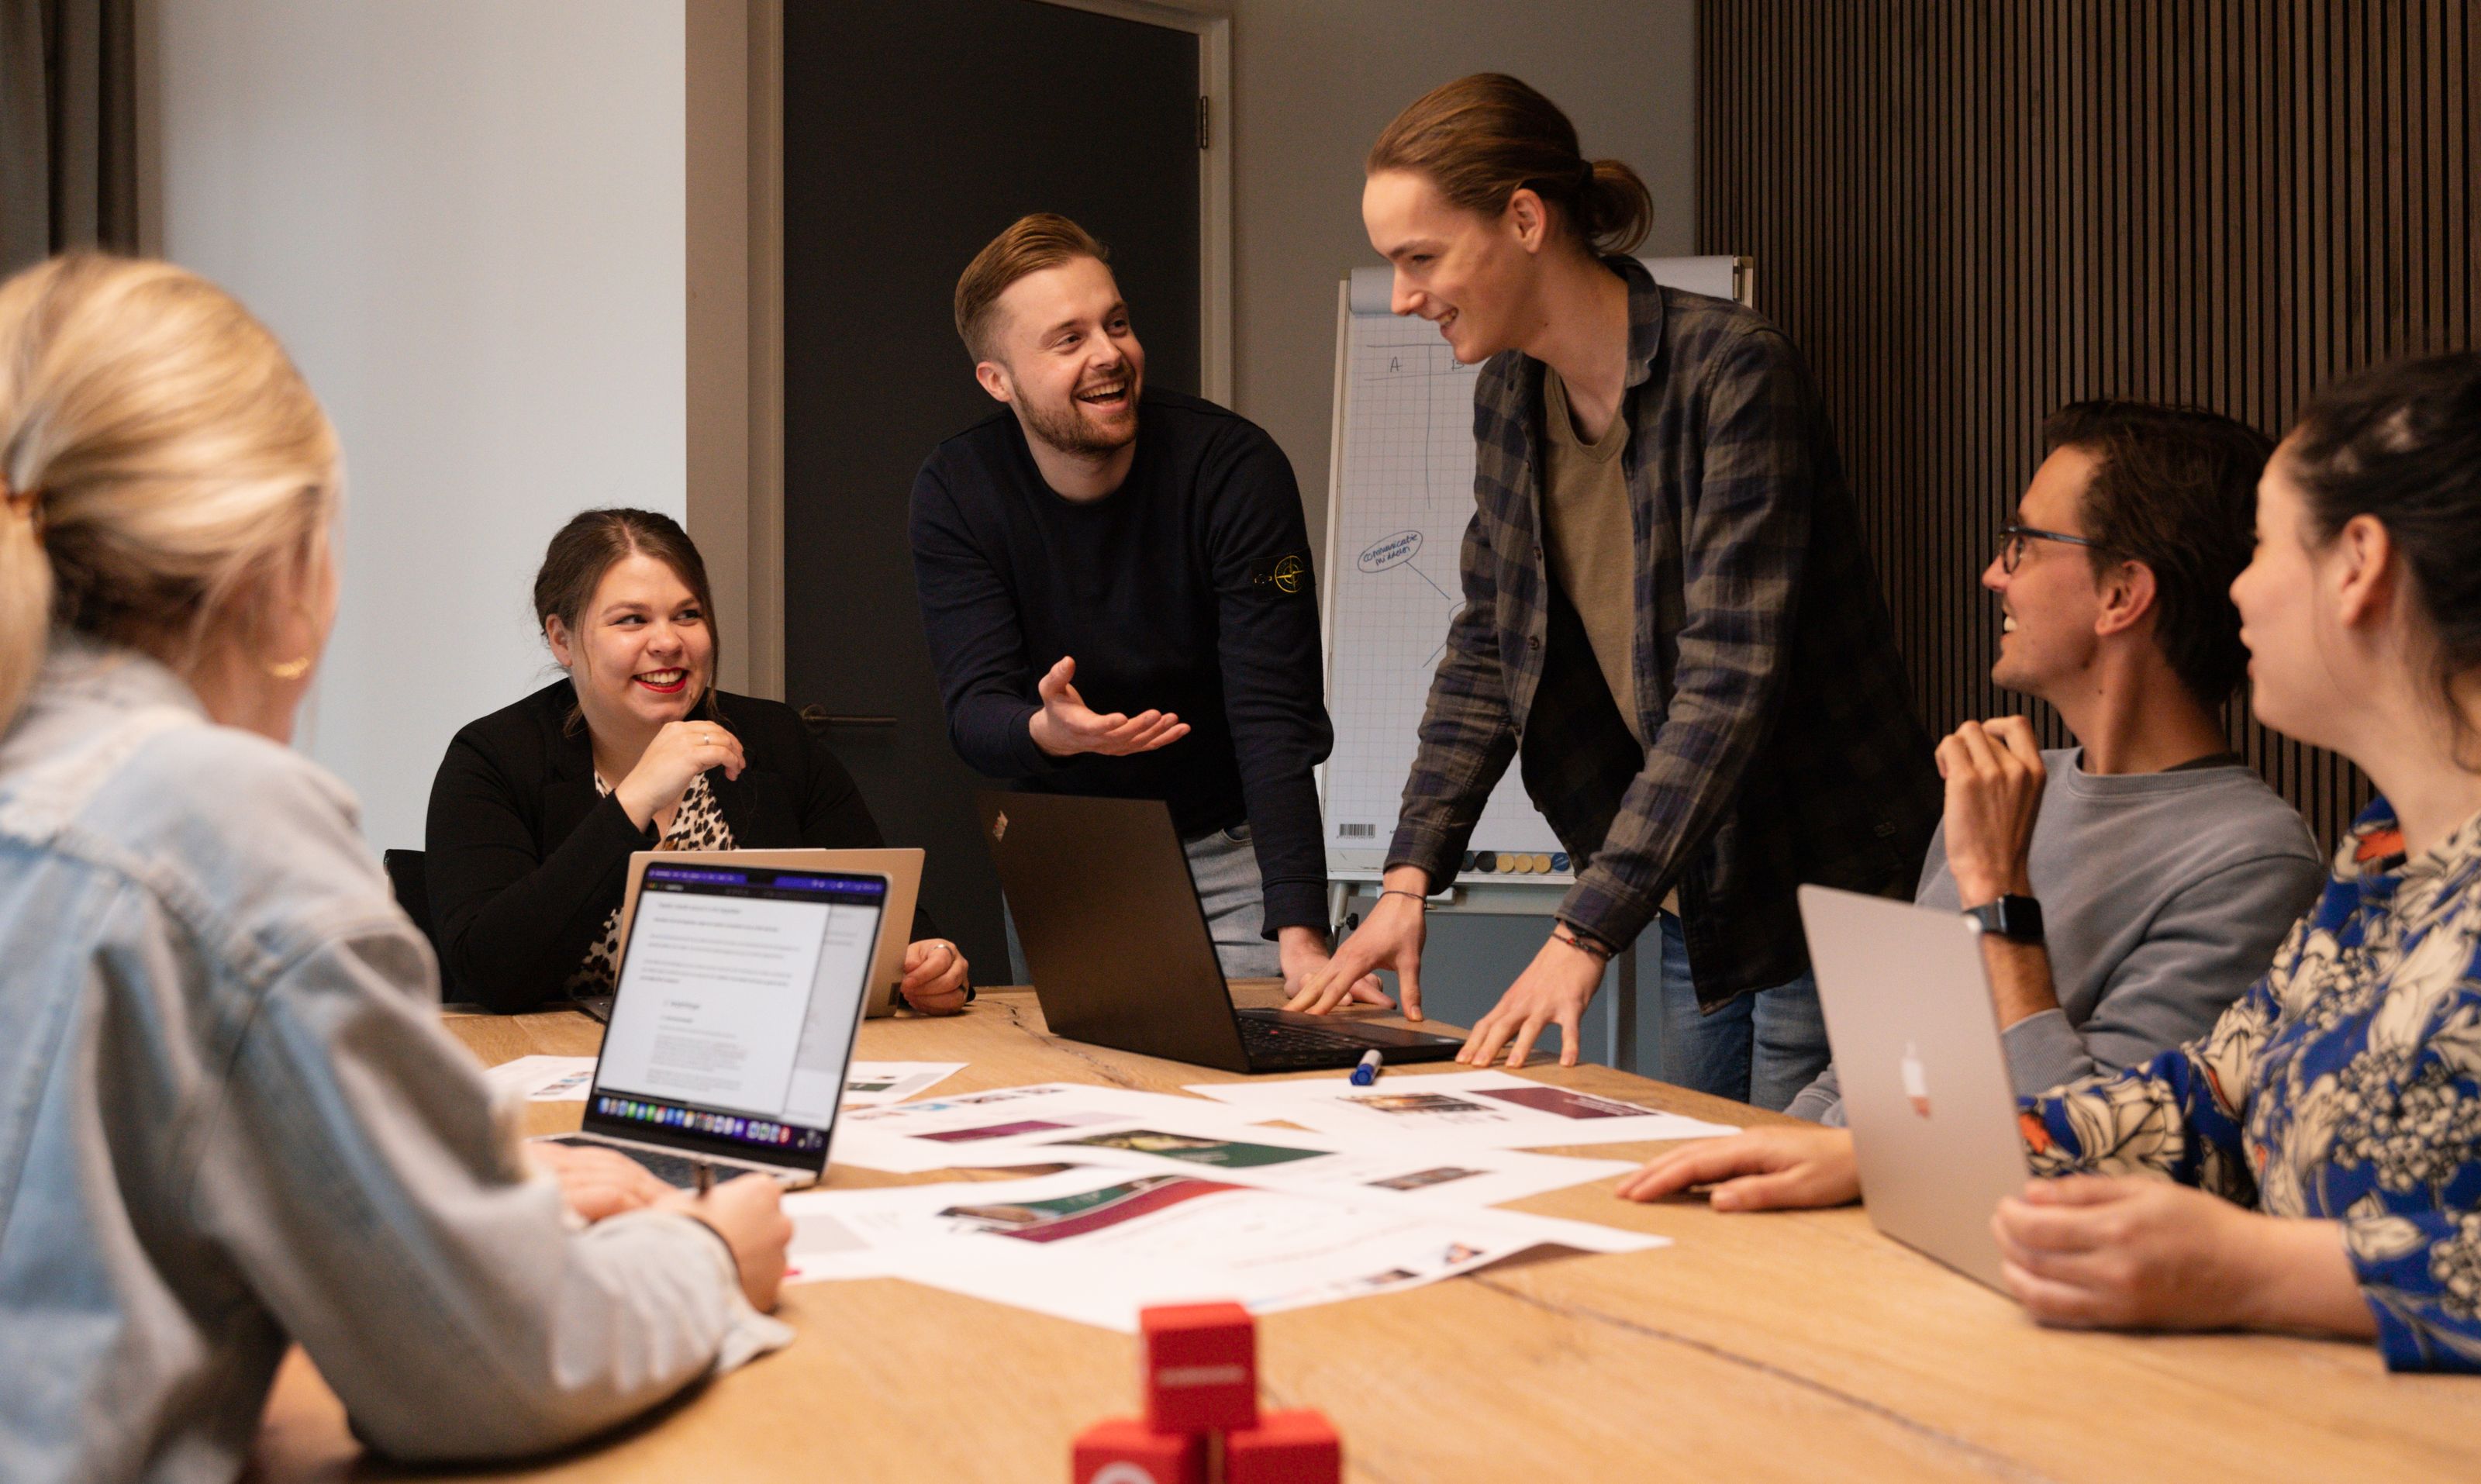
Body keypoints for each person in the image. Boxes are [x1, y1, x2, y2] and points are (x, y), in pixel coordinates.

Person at [0, 254, 794, 1482]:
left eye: (680, 613)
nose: (665, 641)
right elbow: (489, 1363)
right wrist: (709, 1250)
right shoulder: (220, 821)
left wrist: (434, 1173)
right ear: (289, 569)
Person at [1657, 353, 2481, 1370]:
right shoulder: (2382, 855)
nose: (2236, 589)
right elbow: (2205, 1091)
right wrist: (1878, 1149)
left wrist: (2260, 1268)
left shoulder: (2271, 854)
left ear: (2358, 564)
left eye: (2264, 547)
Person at [1294, 74, 1940, 1107]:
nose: (1406, 295)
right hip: (1697, 889)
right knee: (1695, 1165)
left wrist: (1585, 926)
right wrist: (1409, 873)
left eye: (1422, 258)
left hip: (1826, 878)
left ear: (1523, 218)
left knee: (1783, 1199)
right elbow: (1490, 645)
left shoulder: (1734, 372)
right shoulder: (1512, 392)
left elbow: (1730, 679)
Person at [1625, 401, 2327, 1208]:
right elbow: (1872, 1073)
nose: (1994, 572)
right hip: (1856, 1242)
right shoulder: (2008, 786)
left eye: (2023, 544)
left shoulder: (2251, 859)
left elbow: (2090, 1160)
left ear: (2121, 594)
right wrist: (1741, 1180)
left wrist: (1998, 893)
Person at [913, 213, 1371, 998]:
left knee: (1248, 1088)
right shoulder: (958, 490)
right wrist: (1047, 732)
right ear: (998, 380)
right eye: (1068, 339)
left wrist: (1300, 929)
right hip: (1073, 860)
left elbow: (1274, 714)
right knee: (1090, 1095)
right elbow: (974, 711)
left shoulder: (1233, 470)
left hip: (1232, 850)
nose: (1109, 355)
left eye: (1115, 324)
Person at [426, 509, 970, 1014]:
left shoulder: (774, 739)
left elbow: (895, 924)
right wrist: (634, 800)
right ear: (561, 639)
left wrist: (932, 966)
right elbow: (490, 972)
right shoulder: (492, 759)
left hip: (750, 1049)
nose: (668, 642)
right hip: (552, 1067)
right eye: (631, 620)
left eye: (687, 615)